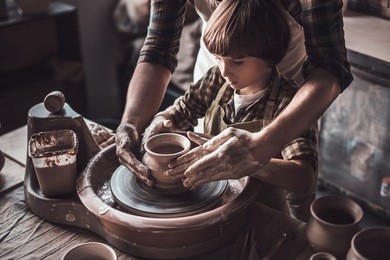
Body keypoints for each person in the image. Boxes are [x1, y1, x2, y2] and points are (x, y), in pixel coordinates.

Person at [115, 0, 353, 221]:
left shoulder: (285, 98)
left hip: (289, 96)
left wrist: (261, 150)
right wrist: (139, 123)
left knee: (292, 217)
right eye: (221, 61)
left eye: (235, 62)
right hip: (222, 49)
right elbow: (159, 48)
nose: (225, 71)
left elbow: (330, 63)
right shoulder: (217, 78)